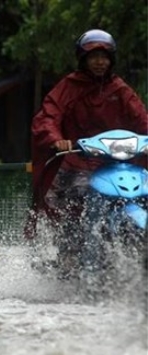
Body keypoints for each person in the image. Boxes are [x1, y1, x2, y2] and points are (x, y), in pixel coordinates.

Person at [29, 29, 148, 273]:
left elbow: (141, 119)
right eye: (93, 56)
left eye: (104, 56)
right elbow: (48, 116)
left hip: (117, 162)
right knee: (75, 205)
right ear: (83, 59)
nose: (99, 62)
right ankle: (70, 256)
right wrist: (56, 139)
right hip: (78, 161)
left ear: (112, 59)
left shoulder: (120, 88)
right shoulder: (68, 86)